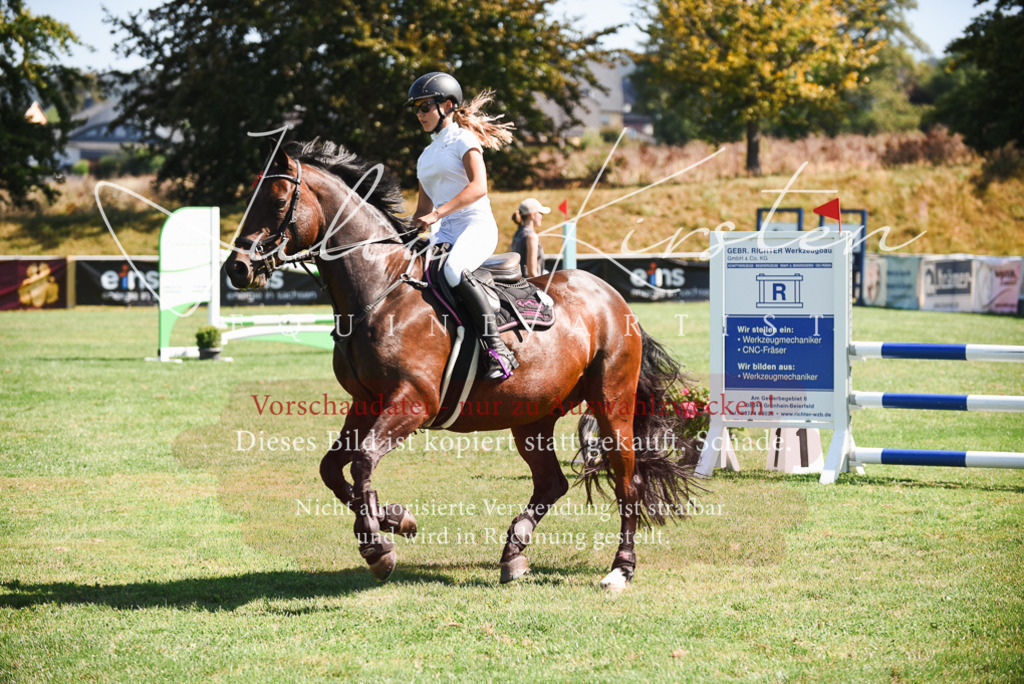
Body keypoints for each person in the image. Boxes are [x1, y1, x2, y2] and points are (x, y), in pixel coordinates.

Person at [406, 72, 518, 381]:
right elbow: (422, 211)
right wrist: (402, 230)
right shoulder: (425, 156)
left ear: (448, 105)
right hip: (442, 232)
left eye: (425, 106)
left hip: (475, 226)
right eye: (416, 109)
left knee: (454, 270)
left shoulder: (465, 140)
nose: (420, 114)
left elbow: (479, 187)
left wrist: (437, 214)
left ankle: (498, 350)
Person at [509, 198, 549, 278]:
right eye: (541, 213)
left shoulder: (518, 233)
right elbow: (532, 273)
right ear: (533, 215)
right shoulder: (532, 237)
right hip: (529, 286)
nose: (542, 217)